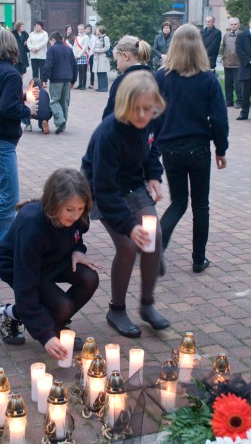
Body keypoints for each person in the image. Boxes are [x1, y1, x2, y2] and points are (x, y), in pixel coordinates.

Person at [81, 70, 170, 338]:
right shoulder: (109, 133)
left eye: (148, 109)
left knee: (154, 235)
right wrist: (130, 226)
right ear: (124, 105)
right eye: (137, 109)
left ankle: (147, 304)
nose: (143, 115)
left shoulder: (149, 121)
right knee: (129, 246)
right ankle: (116, 309)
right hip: (102, 189)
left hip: (133, 184)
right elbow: (106, 189)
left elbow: (152, 148)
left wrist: (154, 175)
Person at [0, 168, 101, 355]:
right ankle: (9, 314)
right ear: (54, 203)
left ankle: (57, 327)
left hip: (53, 258)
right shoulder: (32, 225)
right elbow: (26, 286)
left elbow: (77, 236)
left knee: (89, 278)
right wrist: (44, 334)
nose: (76, 216)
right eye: (69, 210)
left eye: (81, 209)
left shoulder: (77, 215)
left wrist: (77, 250)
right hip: (18, 264)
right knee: (62, 305)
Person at [155, 24, 229, 274]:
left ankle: (156, 250)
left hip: (171, 148)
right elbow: (219, 119)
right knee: (201, 205)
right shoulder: (208, 79)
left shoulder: (161, 77)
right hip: (198, 148)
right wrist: (221, 148)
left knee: (178, 202)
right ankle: (199, 259)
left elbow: (153, 114)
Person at [0, 29, 37, 267]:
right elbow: (7, 108)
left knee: (7, 195)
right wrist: (27, 110)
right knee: (9, 197)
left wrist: (21, 97)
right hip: (0, 142)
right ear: (13, 47)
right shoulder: (11, 73)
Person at [101, 35, 152, 119]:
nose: (117, 66)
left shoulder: (121, 81)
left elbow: (110, 114)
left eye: (117, 60)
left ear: (125, 56)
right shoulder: (154, 78)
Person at [41, 31, 77, 134]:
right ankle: (63, 125)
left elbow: (48, 65)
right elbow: (74, 65)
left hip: (56, 79)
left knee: (54, 101)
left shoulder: (52, 49)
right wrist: (73, 80)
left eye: (50, 41)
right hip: (67, 79)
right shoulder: (69, 49)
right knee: (64, 102)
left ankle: (60, 120)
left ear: (52, 40)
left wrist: (44, 78)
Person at [221, 17, 241, 107]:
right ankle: (229, 101)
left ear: (238, 25)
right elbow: (224, 48)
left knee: (238, 84)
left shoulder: (241, 35)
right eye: (232, 24)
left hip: (238, 64)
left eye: (235, 24)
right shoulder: (226, 35)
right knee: (228, 84)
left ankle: (239, 101)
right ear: (229, 25)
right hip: (227, 63)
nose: (233, 26)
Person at [92, 25, 111, 92]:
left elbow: (107, 47)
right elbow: (93, 46)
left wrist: (98, 50)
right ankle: (100, 87)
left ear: (100, 31)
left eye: (97, 30)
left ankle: (104, 87)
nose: (96, 31)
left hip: (103, 57)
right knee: (98, 72)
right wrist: (94, 49)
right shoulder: (97, 38)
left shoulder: (105, 38)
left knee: (103, 72)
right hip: (97, 57)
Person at [73, 23, 89, 89]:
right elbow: (74, 47)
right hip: (77, 56)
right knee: (79, 71)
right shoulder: (77, 37)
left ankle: (83, 85)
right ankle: (80, 84)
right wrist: (74, 54)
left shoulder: (86, 37)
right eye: (79, 29)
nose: (80, 30)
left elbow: (85, 47)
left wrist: (79, 55)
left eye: (81, 29)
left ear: (84, 29)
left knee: (83, 71)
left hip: (83, 55)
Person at [86, 24, 96, 88]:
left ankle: (91, 83)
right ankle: (83, 83)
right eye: (87, 29)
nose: (88, 30)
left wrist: (89, 53)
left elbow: (93, 46)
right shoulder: (83, 36)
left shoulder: (93, 37)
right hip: (84, 54)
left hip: (91, 54)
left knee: (92, 69)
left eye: (89, 29)